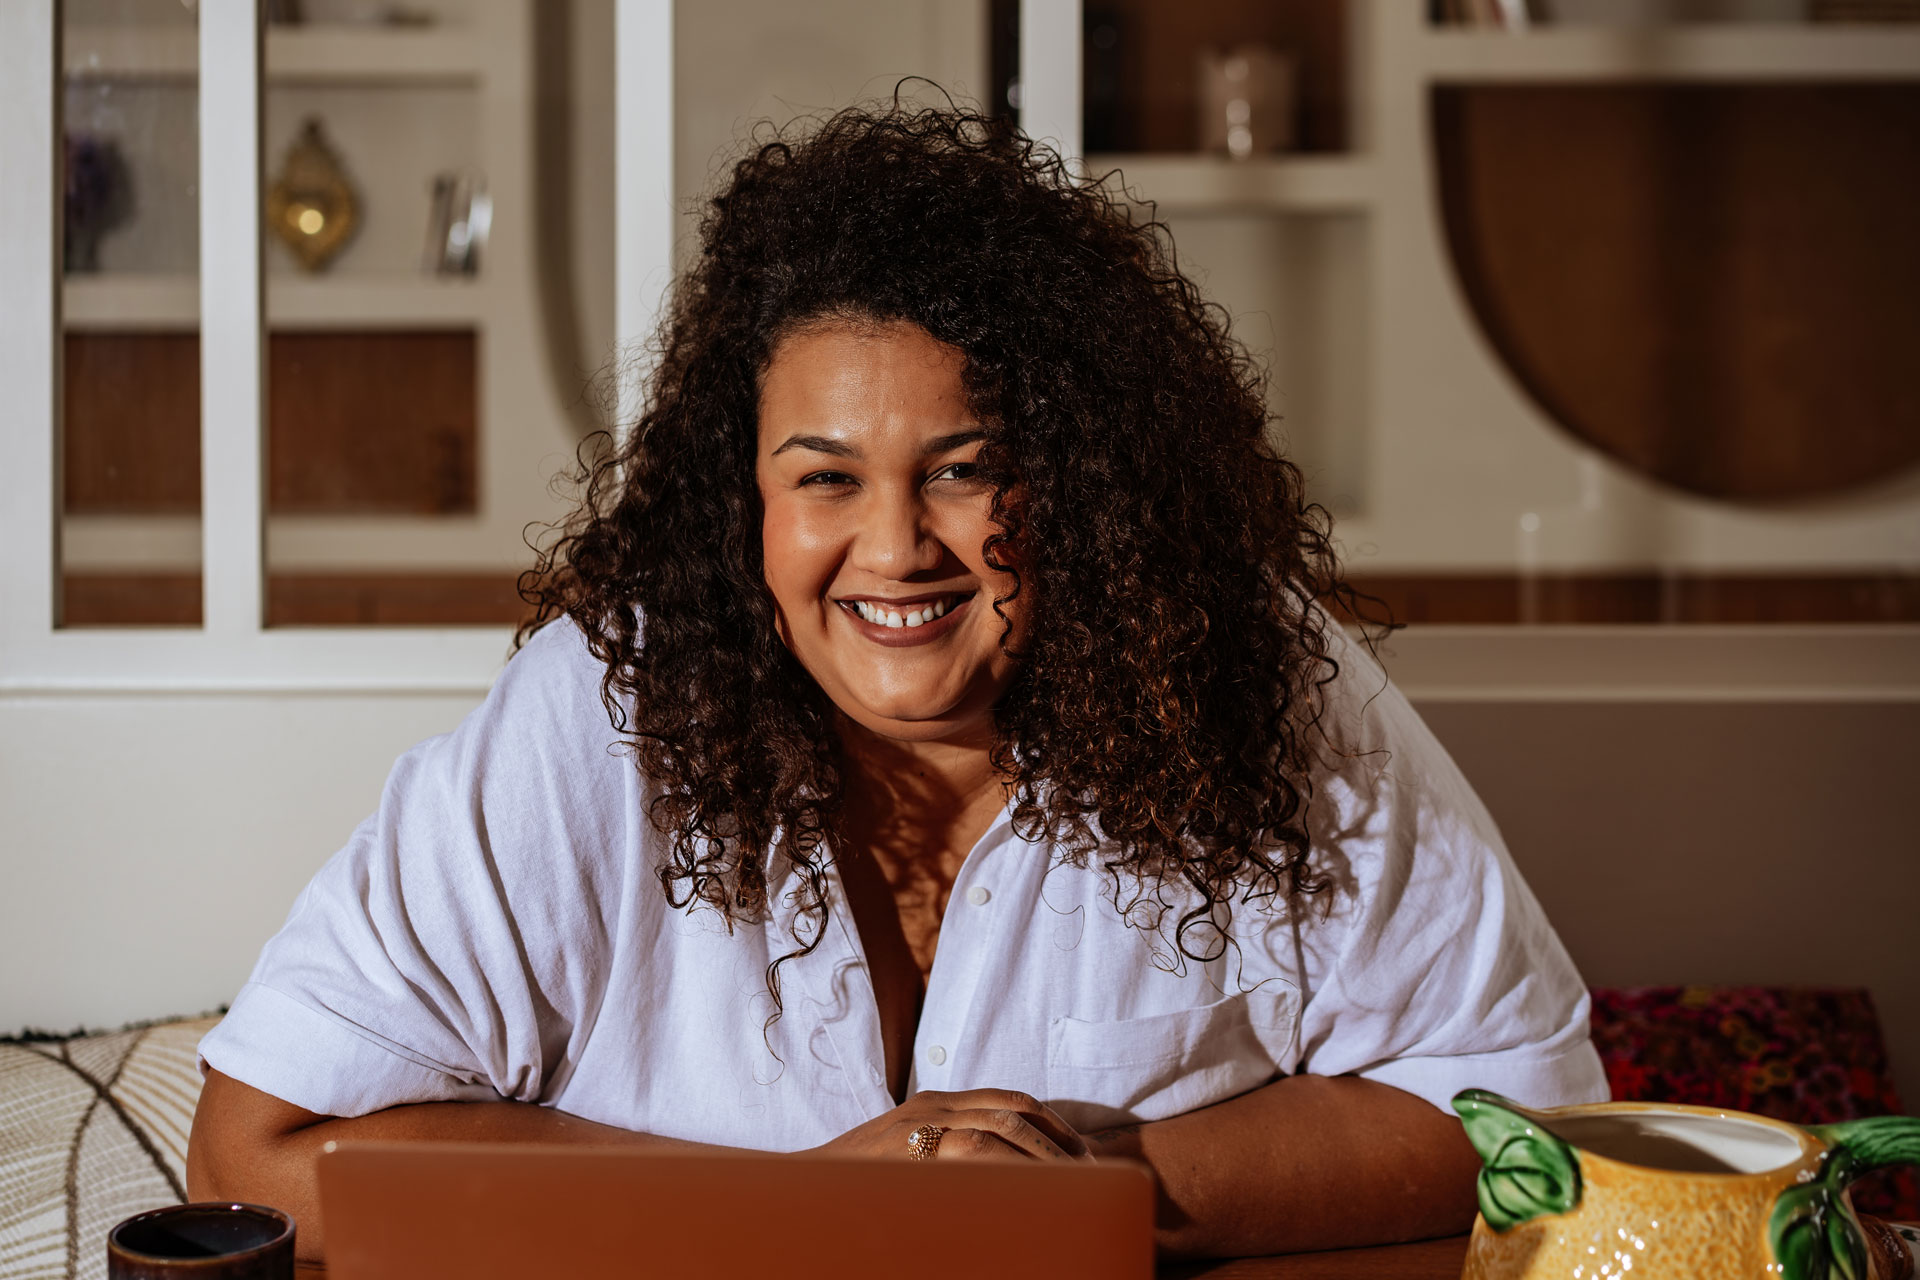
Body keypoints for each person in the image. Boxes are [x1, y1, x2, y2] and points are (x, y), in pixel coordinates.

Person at [187, 103, 1606, 1262]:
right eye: (825, 479)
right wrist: (811, 1212)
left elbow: (1531, 1123)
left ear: (1083, 478)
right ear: (743, 501)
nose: (893, 550)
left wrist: (1109, 1188)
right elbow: (254, 1159)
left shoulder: (1246, 675)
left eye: (965, 469)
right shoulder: (599, 716)